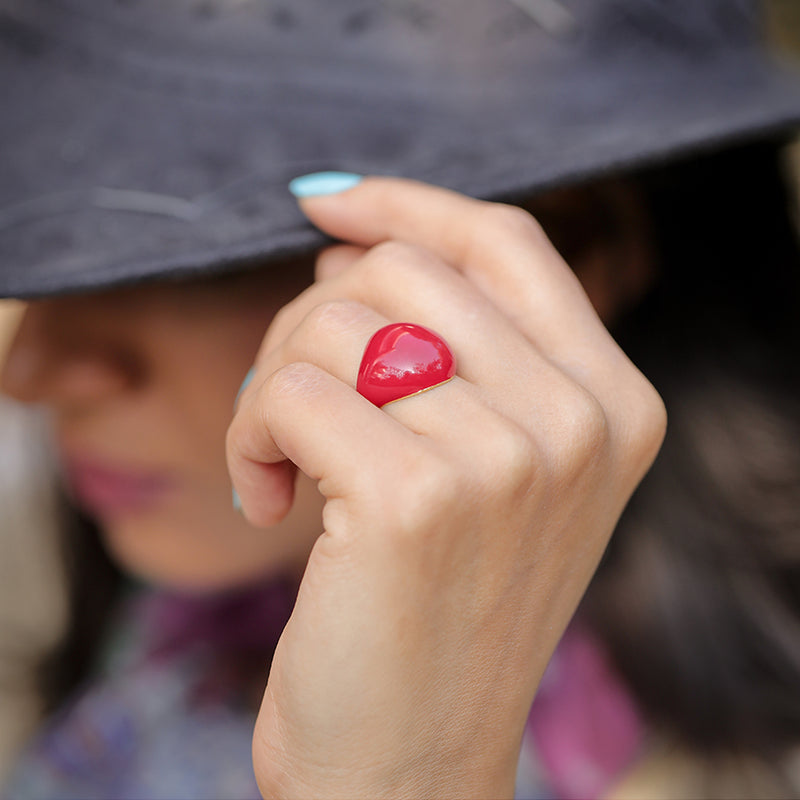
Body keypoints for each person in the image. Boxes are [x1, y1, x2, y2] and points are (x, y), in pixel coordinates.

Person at [0, 1, 798, 798]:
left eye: (195, 268)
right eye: (53, 262)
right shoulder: (143, 649)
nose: (28, 370)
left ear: (559, 258)